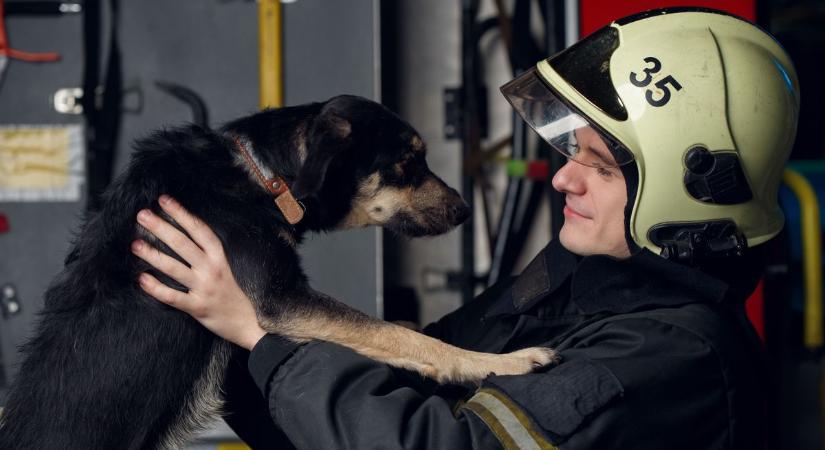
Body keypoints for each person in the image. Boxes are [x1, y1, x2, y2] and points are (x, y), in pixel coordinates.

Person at [131, 8, 799, 449]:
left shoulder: (675, 358)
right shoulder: (577, 289)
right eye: (572, 156)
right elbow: (409, 384)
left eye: (599, 167)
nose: (562, 180)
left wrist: (261, 333)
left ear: (689, 187)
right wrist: (249, 349)